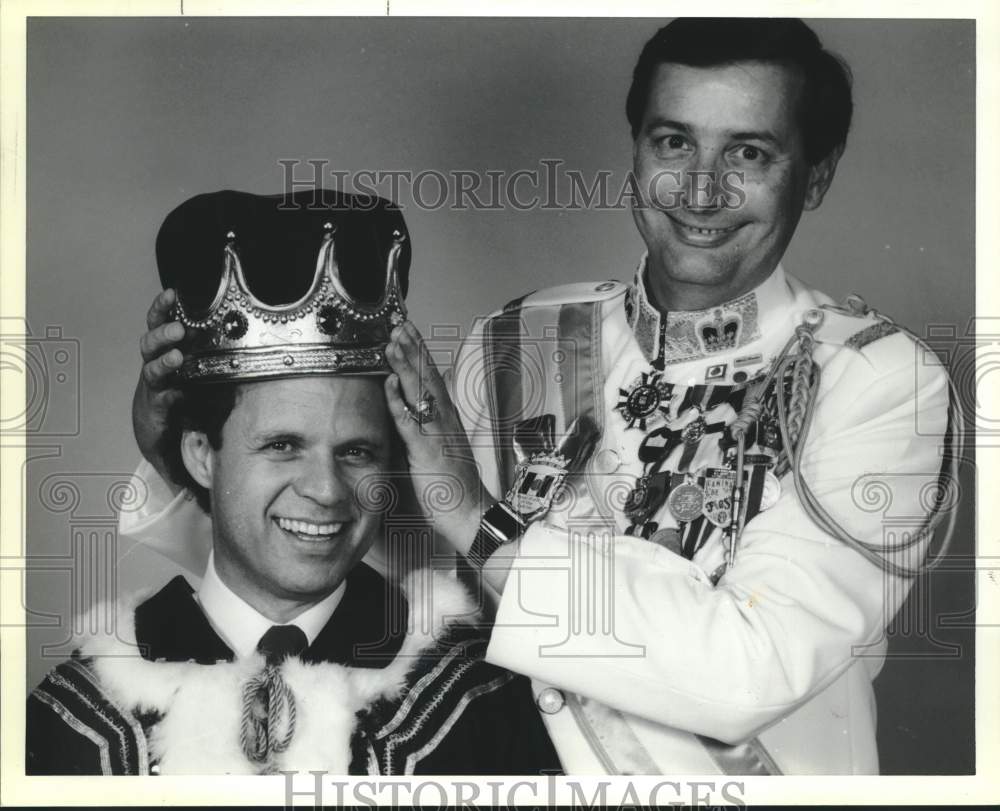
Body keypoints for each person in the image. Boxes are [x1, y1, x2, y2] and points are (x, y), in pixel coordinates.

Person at [125, 19, 957, 775]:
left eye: (749, 153)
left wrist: (480, 524)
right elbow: (354, 547)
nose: (700, 191)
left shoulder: (877, 381)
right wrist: (177, 451)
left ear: (813, 176)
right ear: (636, 153)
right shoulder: (516, 339)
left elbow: (749, 668)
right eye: (674, 143)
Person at [26, 189, 560, 776]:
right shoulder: (78, 714)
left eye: (356, 451)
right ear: (201, 453)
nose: (327, 490)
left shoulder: (475, 705)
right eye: (282, 447)